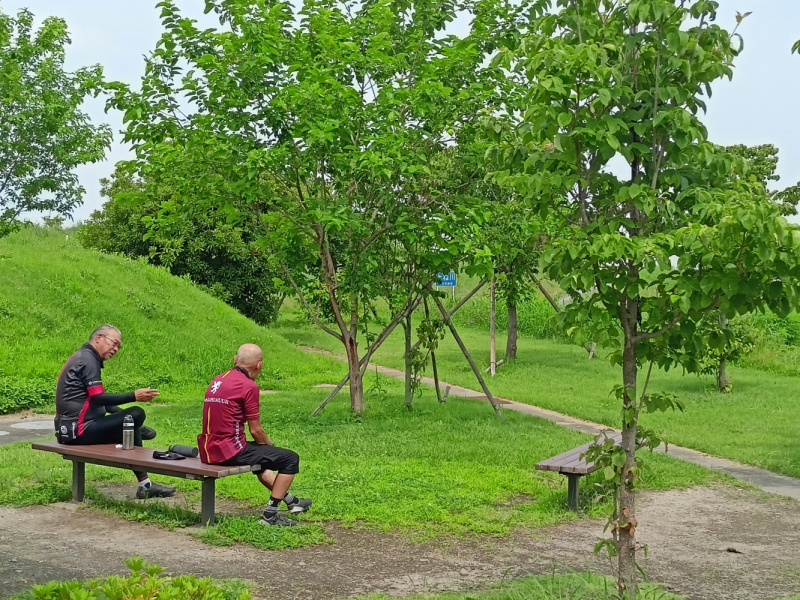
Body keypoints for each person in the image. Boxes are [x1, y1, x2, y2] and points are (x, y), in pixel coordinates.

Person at [54, 325, 176, 499]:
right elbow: (98, 399)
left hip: (69, 430)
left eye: (119, 346)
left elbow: (99, 403)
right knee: (136, 413)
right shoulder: (88, 361)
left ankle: (145, 484)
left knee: (129, 423)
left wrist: (122, 418)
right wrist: (133, 396)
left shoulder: (84, 356)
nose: (116, 349)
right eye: (114, 343)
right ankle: (145, 483)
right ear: (99, 338)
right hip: (78, 431)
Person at [198, 344, 311, 526]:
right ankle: (270, 516)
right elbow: (256, 430)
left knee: (262, 460)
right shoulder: (248, 386)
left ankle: (293, 502)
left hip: (207, 449)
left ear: (235, 360)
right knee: (289, 459)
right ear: (259, 365)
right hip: (230, 451)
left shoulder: (218, 380)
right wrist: (270, 448)